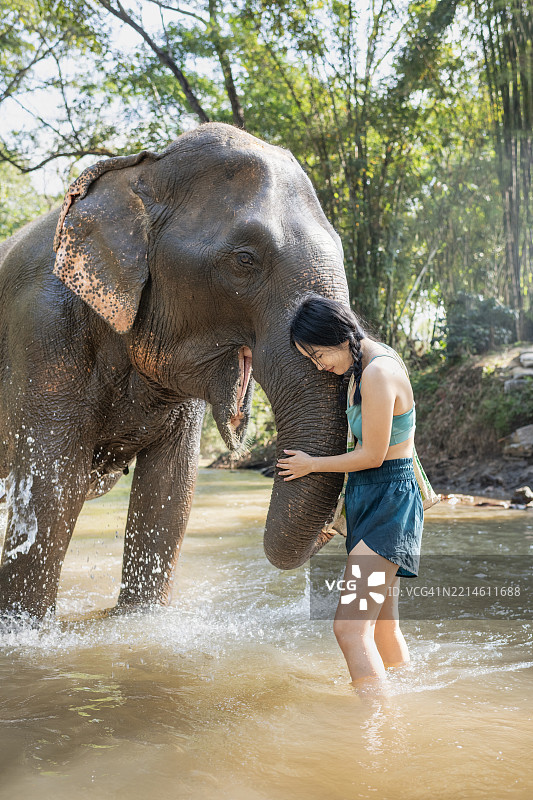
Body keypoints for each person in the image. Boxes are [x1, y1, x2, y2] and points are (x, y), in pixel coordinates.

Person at [276, 293, 423, 689]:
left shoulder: (377, 372)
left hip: (388, 501)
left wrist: (311, 464)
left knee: (349, 629)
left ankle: (373, 730)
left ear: (340, 336)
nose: (319, 364)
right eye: (310, 359)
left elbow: (373, 455)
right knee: (381, 627)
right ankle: (402, 714)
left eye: (318, 354)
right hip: (372, 497)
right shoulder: (359, 369)